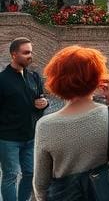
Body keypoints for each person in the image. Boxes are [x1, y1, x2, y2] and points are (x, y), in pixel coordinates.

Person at [32, 46, 109, 201]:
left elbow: (41, 183)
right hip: (107, 193)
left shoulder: (45, 125)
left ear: (55, 79)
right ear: (98, 78)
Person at [0, 38, 48, 201]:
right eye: (26, 52)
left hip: (30, 136)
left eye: (31, 52)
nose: (30, 55)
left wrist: (44, 104)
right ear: (14, 54)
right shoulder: (2, 80)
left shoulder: (34, 77)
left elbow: (40, 100)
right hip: (8, 139)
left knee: (30, 173)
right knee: (10, 176)